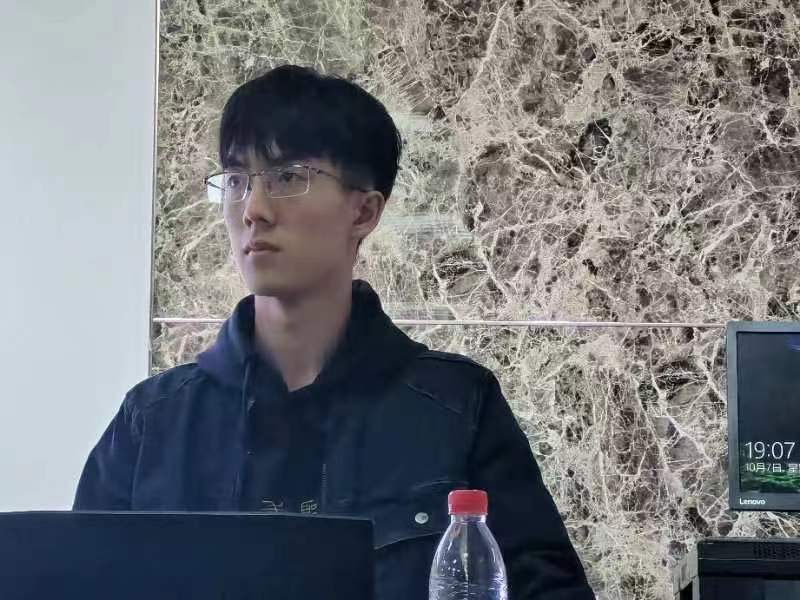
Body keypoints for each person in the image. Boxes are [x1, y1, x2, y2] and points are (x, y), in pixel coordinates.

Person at [74, 64, 594, 600]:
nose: (253, 209)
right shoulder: (153, 423)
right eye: (235, 180)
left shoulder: (457, 409)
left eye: (287, 177)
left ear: (364, 211)